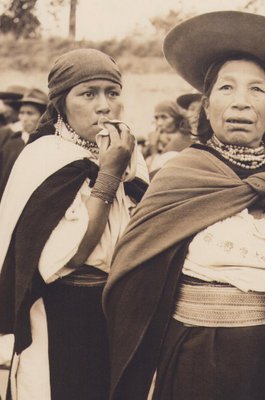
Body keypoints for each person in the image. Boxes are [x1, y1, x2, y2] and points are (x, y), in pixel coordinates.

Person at [103, 11, 265, 400]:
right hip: (198, 364)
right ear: (206, 106)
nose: (241, 102)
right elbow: (131, 276)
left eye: (257, 90)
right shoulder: (179, 178)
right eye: (226, 88)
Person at [0, 48, 149, 400]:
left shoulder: (126, 152)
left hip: (114, 308)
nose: (104, 105)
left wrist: (119, 166)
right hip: (60, 313)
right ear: (61, 104)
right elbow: (74, 252)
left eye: (112, 93)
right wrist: (109, 175)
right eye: (88, 94)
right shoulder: (45, 157)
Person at [0, 88, 48, 200]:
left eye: (30, 113)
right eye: (22, 113)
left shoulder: (48, 145)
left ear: (42, 116)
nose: (25, 118)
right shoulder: (12, 144)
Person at [145, 100, 193, 173]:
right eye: (156, 118)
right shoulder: (164, 137)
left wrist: (153, 146)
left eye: (164, 117)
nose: (159, 123)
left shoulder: (180, 140)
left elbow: (155, 171)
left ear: (177, 119)